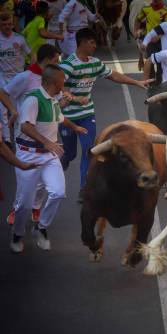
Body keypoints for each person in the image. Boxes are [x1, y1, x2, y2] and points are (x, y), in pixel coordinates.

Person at [59, 28, 152, 200]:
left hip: (87, 115)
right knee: (70, 154)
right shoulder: (68, 64)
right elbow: (59, 83)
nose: (95, 45)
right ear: (82, 43)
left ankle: (84, 188)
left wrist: (136, 82)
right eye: (92, 42)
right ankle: (65, 158)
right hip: (67, 117)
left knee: (89, 151)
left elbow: (114, 75)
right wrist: (69, 95)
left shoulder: (95, 63)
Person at [10, 64, 87, 253]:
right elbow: (26, 126)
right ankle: (17, 234)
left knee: (58, 192)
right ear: (54, 82)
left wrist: (75, 127)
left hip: (49, 155)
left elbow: (60, 118)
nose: (65, 82)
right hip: (29, 155)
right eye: (63, 79)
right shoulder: (33, 100)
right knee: (25, 204)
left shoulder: (53, 99)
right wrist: (46, 142)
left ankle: (41, 227)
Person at [1, 44, 64, 225]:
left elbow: (55, 109)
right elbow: (3, 92)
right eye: (55, 60)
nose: (58, 64)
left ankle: (36, 207)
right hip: (26, 136)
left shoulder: (52, 81)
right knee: (26, 177)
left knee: (45, 181)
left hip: (48, 136)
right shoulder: (25, 77)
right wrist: (13, 109)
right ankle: (17, 207)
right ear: (47, 60)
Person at [0, 12, 31, 145]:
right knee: (3, 110)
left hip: (18, 79)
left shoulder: (19, 39)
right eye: (4, 24)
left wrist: (33, 70)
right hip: (2, 77)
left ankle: (19, 136)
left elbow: (31, 54)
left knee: (18, 111)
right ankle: (7, 139)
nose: (7, 27)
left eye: (10, 24)